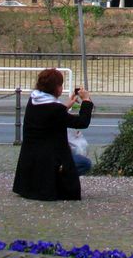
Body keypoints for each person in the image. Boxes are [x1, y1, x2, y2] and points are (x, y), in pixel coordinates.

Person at [12, 68, 94, 201]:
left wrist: (65, 106)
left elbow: (49, 117)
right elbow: (82, 122)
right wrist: (86, 101)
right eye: (61, 85)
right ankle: (57, 183)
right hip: (49, 162)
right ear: (57, 88)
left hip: (31, 161)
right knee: (85, 163)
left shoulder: (33, 100)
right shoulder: (55, 110)